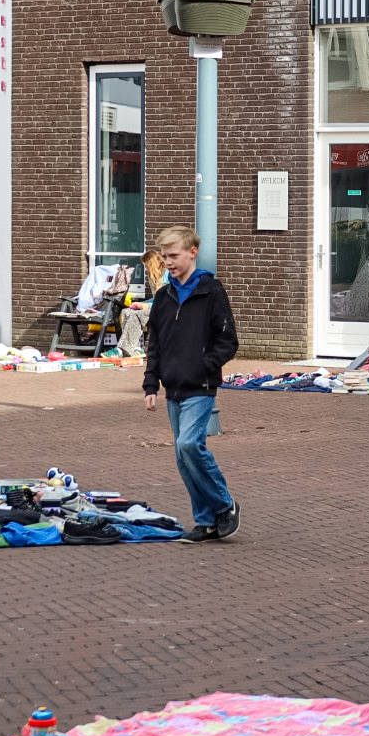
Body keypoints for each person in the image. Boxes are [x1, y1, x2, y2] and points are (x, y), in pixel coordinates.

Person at [142, 226, 241, 543]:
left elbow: (228, 341)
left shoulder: (211, 291)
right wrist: (150, 385)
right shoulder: (163, 296)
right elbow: (154, 344)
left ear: (192, 252)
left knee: (189, 445)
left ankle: (225, 506)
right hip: (173, 386)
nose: (168, 262)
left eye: (173, 256)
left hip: (200, 384)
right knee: (183, 457)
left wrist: (204, 365)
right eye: (165, 257)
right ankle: (205, 522)